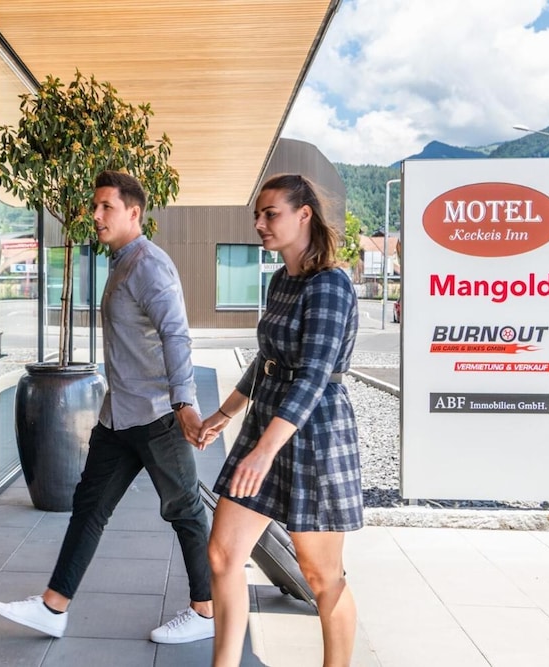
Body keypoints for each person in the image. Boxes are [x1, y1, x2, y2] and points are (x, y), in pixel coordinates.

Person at [0, 170, 215, 644]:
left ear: (134, 213)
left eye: (105, 206)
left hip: (156, 416)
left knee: (185, 510)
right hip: (118, 418)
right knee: (89, 507)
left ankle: (206, 610)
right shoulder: (121, 262)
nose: (95, 215)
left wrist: (183, 403)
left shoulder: (149, 265)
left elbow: (176, 335)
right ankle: (54, 607)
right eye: (95, 206)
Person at [200, 174, 362, 667]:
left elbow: (313, 377)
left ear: (303, 214)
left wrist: (263, 452)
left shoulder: (330, 284)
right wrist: (225, 413)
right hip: (267, 421)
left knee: (321, 576)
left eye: (270, 214)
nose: (259, 224)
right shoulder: (281, 280)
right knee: (223, 555)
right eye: (258, 215)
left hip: (314, 432)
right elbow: (267, 358)